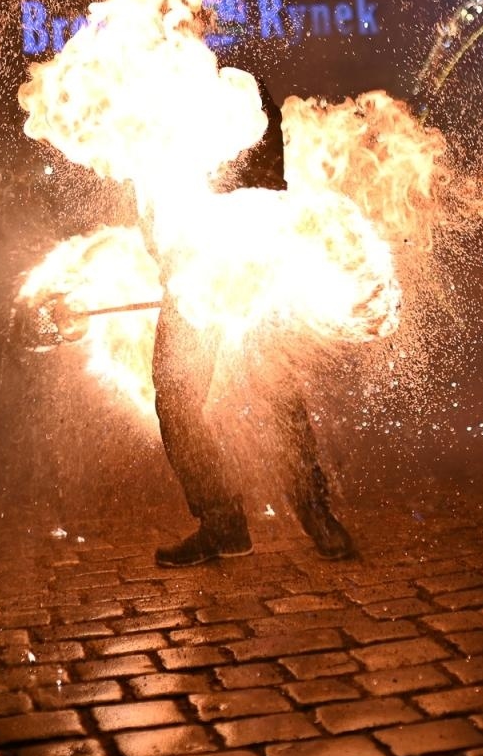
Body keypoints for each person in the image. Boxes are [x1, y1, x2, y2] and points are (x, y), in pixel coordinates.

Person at [150, 78, 356, 567]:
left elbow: (268, 186)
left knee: (275, 390)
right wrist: (167, 255)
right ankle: (222, 524)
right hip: (188, 277)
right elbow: (152, 190)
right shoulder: (147, 92)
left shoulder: (238, 91)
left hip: (251, 263)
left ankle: (316, 513)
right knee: (176, 398)